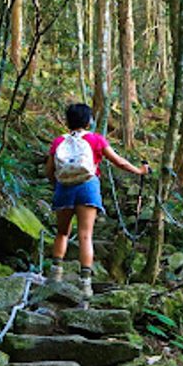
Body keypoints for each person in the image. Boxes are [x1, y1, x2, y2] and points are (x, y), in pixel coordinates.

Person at [45, 103, 149, 296]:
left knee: (62, 233)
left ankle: (55, 275)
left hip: (64, 188)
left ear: (68, 121)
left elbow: (49, 170)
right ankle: (85, 283)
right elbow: (119, 162)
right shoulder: (96, 140)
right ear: (88, 121)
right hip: (88, 187)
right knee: (86, 235)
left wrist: (58, 184)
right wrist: (140, 171)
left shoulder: (59, 141)